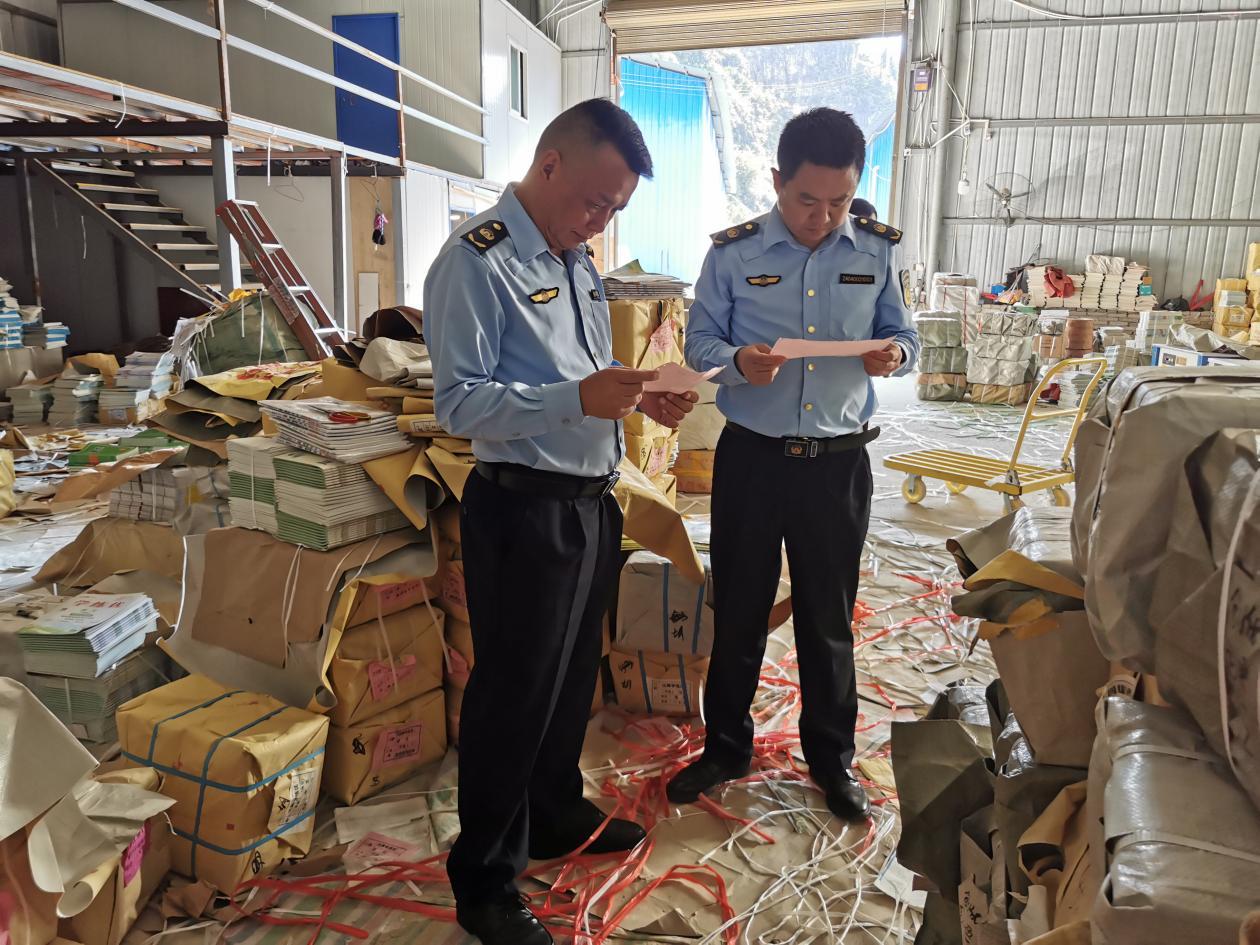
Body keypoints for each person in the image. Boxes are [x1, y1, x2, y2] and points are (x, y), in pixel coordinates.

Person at [424, 99, 697, 945]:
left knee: (571, 676)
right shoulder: (476, 261)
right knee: (512, 695)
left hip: (589, 503)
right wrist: (578, 397)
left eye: (616, 208)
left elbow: (577, 371)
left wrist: (638, 393)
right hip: (522, 509)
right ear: (549, 165)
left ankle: (551, 808)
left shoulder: (575, 258)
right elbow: (460, 403)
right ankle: (485, 879)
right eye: (594, 201)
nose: (601, 221)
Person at [668, 107, 919, 823]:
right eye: (808, 199)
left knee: (827, 618)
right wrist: (736, 362)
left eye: (840, 201)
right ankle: (726, 746)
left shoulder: (876, 251)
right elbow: (699, 342)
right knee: (740, 608)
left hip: (837, 466)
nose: (823, 216)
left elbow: (905, 334)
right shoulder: (733, 253)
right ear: (778, 181)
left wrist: (895, 354)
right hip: (753, 458)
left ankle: (831, 758)